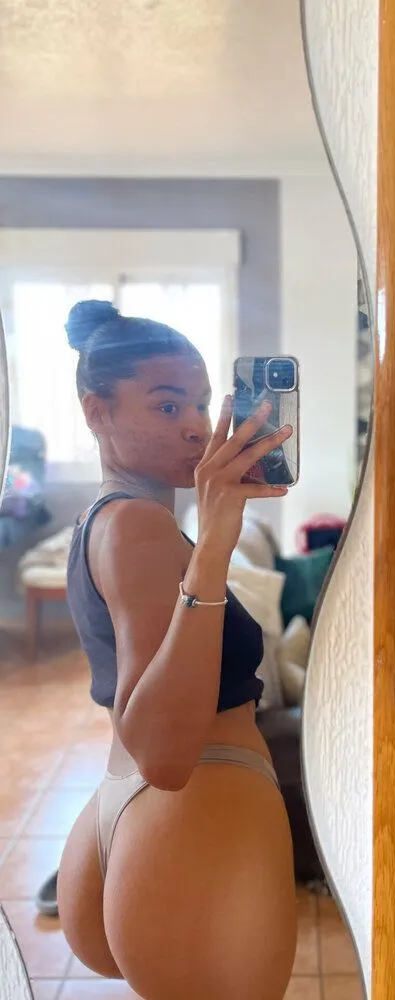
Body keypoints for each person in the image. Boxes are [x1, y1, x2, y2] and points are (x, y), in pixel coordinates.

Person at [52, 300, 297, 1000]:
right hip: (194, 806)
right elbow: (164, 755)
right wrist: (214, 545)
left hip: (127, 811)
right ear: (96, 412)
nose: (195, 424)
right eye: (166, 406)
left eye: (199, 402)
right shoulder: (138, 526)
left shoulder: (106, 519)